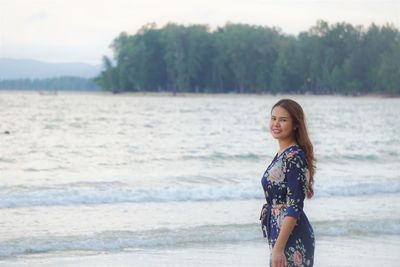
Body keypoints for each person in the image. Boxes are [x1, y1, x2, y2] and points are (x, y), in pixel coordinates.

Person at [260, 99, 315, 267]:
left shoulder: (295, 157)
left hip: (291, 234)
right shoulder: (283, 154)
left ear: (295, 125)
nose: (276, 124)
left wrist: (279, 248)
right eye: (273, 118)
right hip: (280, 232)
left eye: (283, 120)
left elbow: (295, 206)